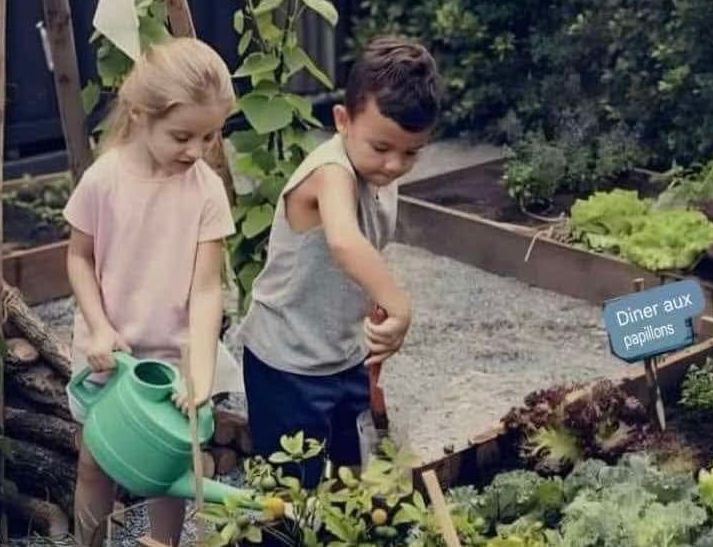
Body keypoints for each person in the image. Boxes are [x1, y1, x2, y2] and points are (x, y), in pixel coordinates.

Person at [236, 35, 443, 485]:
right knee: (289, 496)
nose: (393, 165)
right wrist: (401, 306)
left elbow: (366, 255)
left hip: (342, 356)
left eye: (411, 153)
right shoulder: (330, 173)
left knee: (350, 477)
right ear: (343, 120)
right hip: (287, 365)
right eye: (381, 148)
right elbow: (346, 245)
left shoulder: (380, 172)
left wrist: (373, 312)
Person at [64, 37, 240, 546]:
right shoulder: (104, 180)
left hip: (173, 360)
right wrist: (99, 326)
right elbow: (79, 258)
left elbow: (207, 290)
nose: (197, 151)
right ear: (140, 115)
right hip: (106, 357)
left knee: (169, 473)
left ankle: (160, 544)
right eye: (183, 135)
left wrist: (200, 375)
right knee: (94, 464)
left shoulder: (205, 190)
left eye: (209, 137)